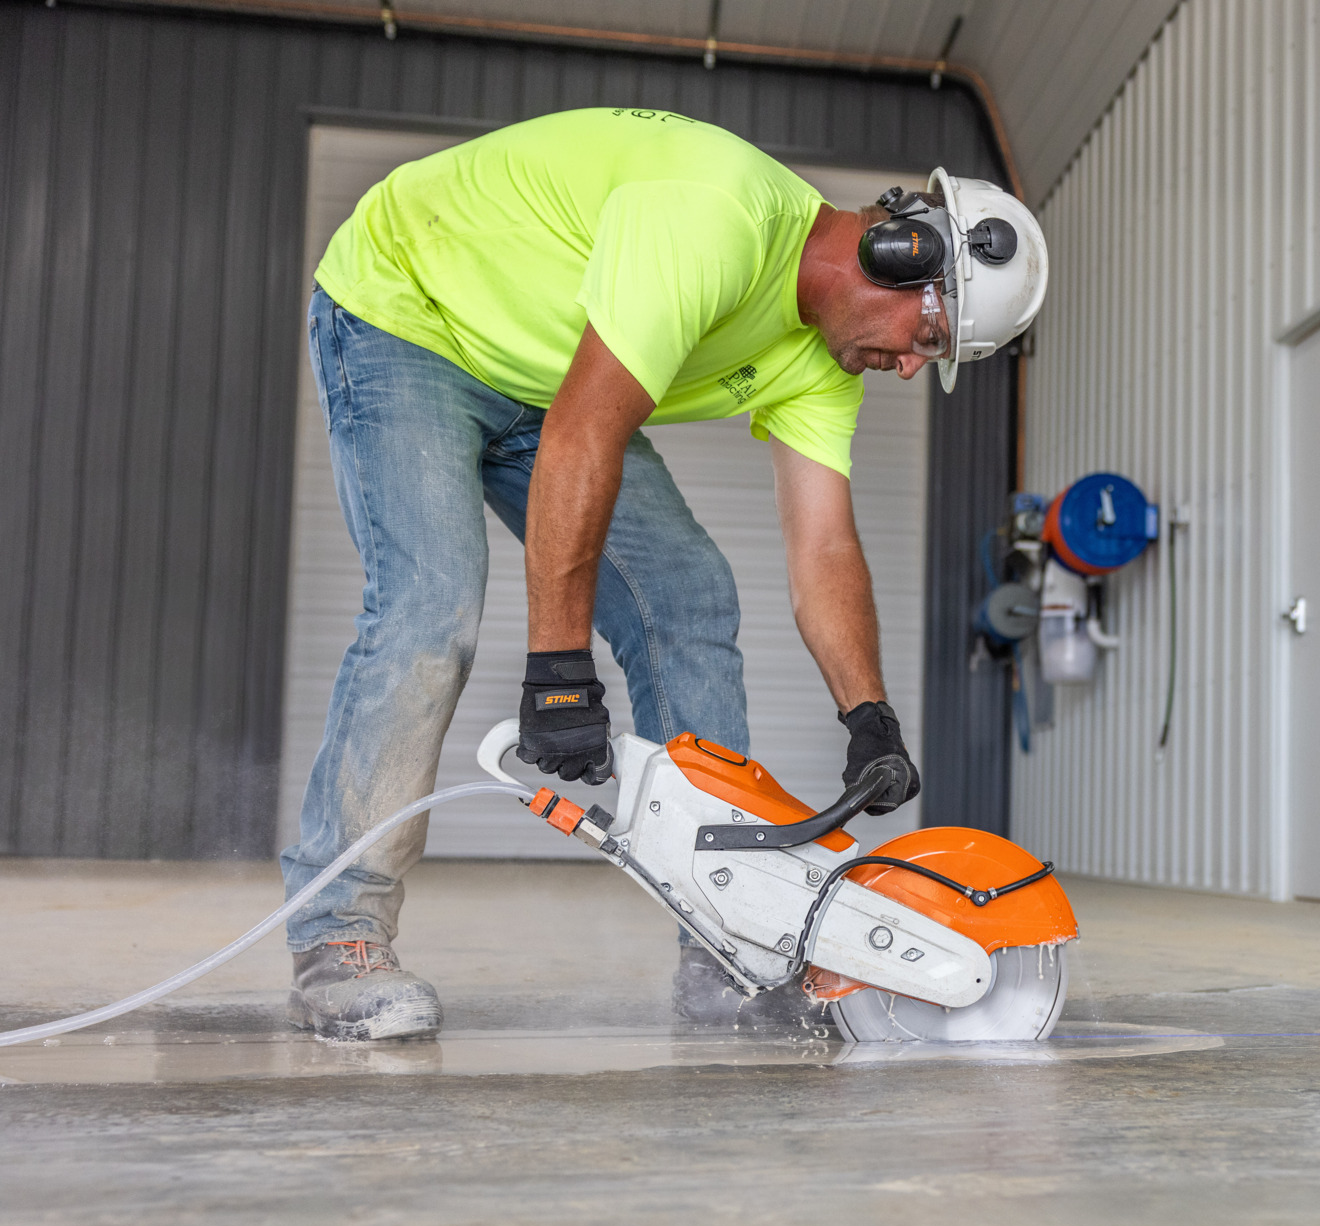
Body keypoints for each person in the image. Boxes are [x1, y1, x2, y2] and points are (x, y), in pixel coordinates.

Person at [281, 106, 1048, 1040]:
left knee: (688, 595)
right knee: (430, 602)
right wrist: (559, 672)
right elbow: (585, 432)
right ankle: (340, 937)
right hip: (411, 312)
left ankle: (723, 946)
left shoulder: (825, 365)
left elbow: (825, 547)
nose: (907, 368)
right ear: (898, 251)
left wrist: (869, 713)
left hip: (547, 377)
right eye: (928, 341)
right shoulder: (713, 217)